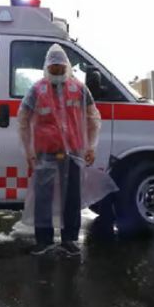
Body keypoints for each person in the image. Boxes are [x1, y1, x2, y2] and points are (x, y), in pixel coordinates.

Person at [17, 44, 101, 257]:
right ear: (47, 67)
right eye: (53, 69)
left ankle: (70, 240)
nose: (57, 72)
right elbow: (23, 120)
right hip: (46, 152)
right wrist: (29, 152)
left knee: (72, 197)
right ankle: (43, 240)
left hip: (72, 152)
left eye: (60, 69)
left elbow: (93, 117)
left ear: (67, 67)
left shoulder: (79, 89)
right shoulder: (37, 90)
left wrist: (91, 146)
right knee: (43, 198)